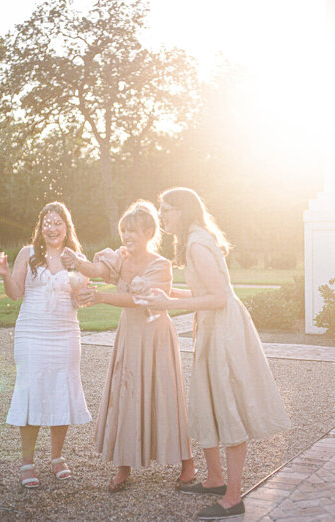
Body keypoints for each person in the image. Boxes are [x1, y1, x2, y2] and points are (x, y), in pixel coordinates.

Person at [142, 188, 291, 520]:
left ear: (184, 211)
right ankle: (214, 480)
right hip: (214, 328)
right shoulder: (194, 240)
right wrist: (167, 292)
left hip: (224, 333)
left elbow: (219, 298)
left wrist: (169, 303)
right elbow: (203, 291)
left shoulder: (196, 243)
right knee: (206, 401)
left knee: (227, 405)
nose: (162, 215)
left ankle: (233, 498)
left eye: (167, 209)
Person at [61, 200, 195, 492]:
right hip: (129, 335)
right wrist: (76, 261)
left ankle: (187, 463)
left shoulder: (161, 266)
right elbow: (96, 268)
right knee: (126, 394)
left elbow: (138, 300)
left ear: (148, 232)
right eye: (124, 230)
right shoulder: (119, 257)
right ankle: (124, 465)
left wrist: (101, 297)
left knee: (165, 396)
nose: (126, 236)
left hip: (156, 337)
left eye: (133, 230)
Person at [0, 202, 91, 488]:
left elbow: (81, 299)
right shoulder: (27, 253)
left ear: (66, 227)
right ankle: (27, 462)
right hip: (31, 333)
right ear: (40, 228)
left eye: (57, 223)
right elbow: (15, 293)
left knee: (61, 390)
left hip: (65, 333)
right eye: (47, 223)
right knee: (31, 391)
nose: (52, 228)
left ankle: (57, 457)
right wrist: (5, 274)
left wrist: (79, 278)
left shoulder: (76, 258)